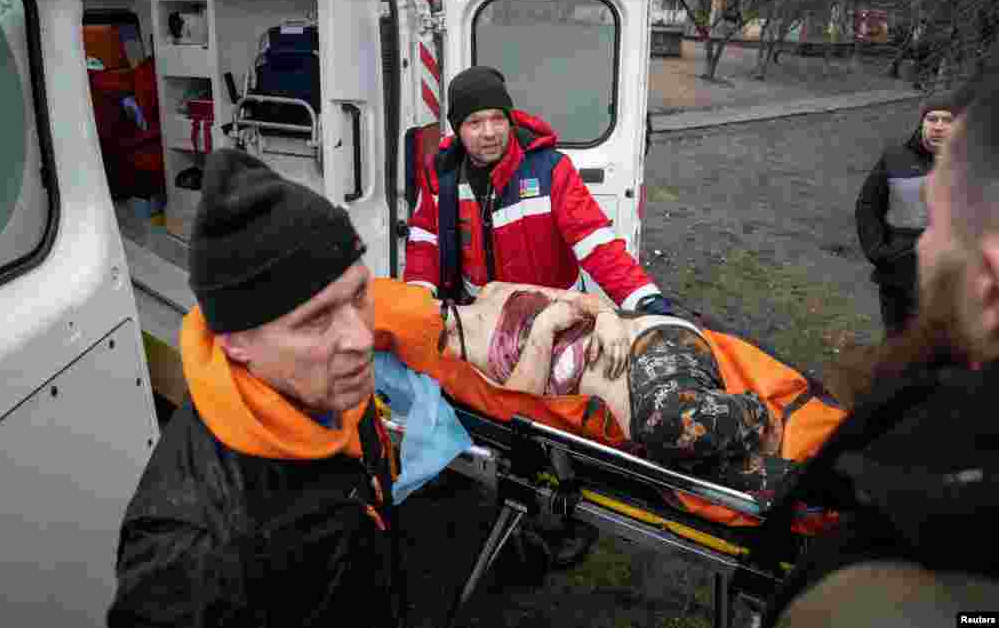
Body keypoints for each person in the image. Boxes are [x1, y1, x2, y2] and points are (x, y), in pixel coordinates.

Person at [107, 149, 404, 627]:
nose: (361, 339)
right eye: (316, 320)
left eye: (358, 295)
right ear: (236, 343)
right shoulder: (193, 558)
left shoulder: (329, 385)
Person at [762, 64, 999, 626]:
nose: (926, 248)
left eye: (939, 226)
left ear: (989, 275)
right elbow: (869, 207)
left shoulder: (883, 593)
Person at [427, 281, 790, 499]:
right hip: (643, 415)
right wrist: (543, 330)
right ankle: (790, 478)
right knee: (689, 462)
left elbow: (579, 300)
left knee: (667, 421)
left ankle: (755, 415)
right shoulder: (457, 365)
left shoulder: (493, 292)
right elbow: (518, 407)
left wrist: (605, 317)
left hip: (646, 346)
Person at [404, 66, 673, 353]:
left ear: (510, 118)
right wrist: (419, 301)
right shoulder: (441, 176)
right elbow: (424, 241)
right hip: (482, 321)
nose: (489, 132)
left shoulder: (551, 170)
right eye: (474, 122)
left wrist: (647, 303)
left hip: (558, 322)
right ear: (458, 128)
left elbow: (597, 244)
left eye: (498, 118)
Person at [856, 92, 955, 336]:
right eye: (932, 119)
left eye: (947, 120)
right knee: (897, 344)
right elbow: (868, 205)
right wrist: (877, 251)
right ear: (922, 123)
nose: (939, 127)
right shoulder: (896, 158)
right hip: (897, 274)